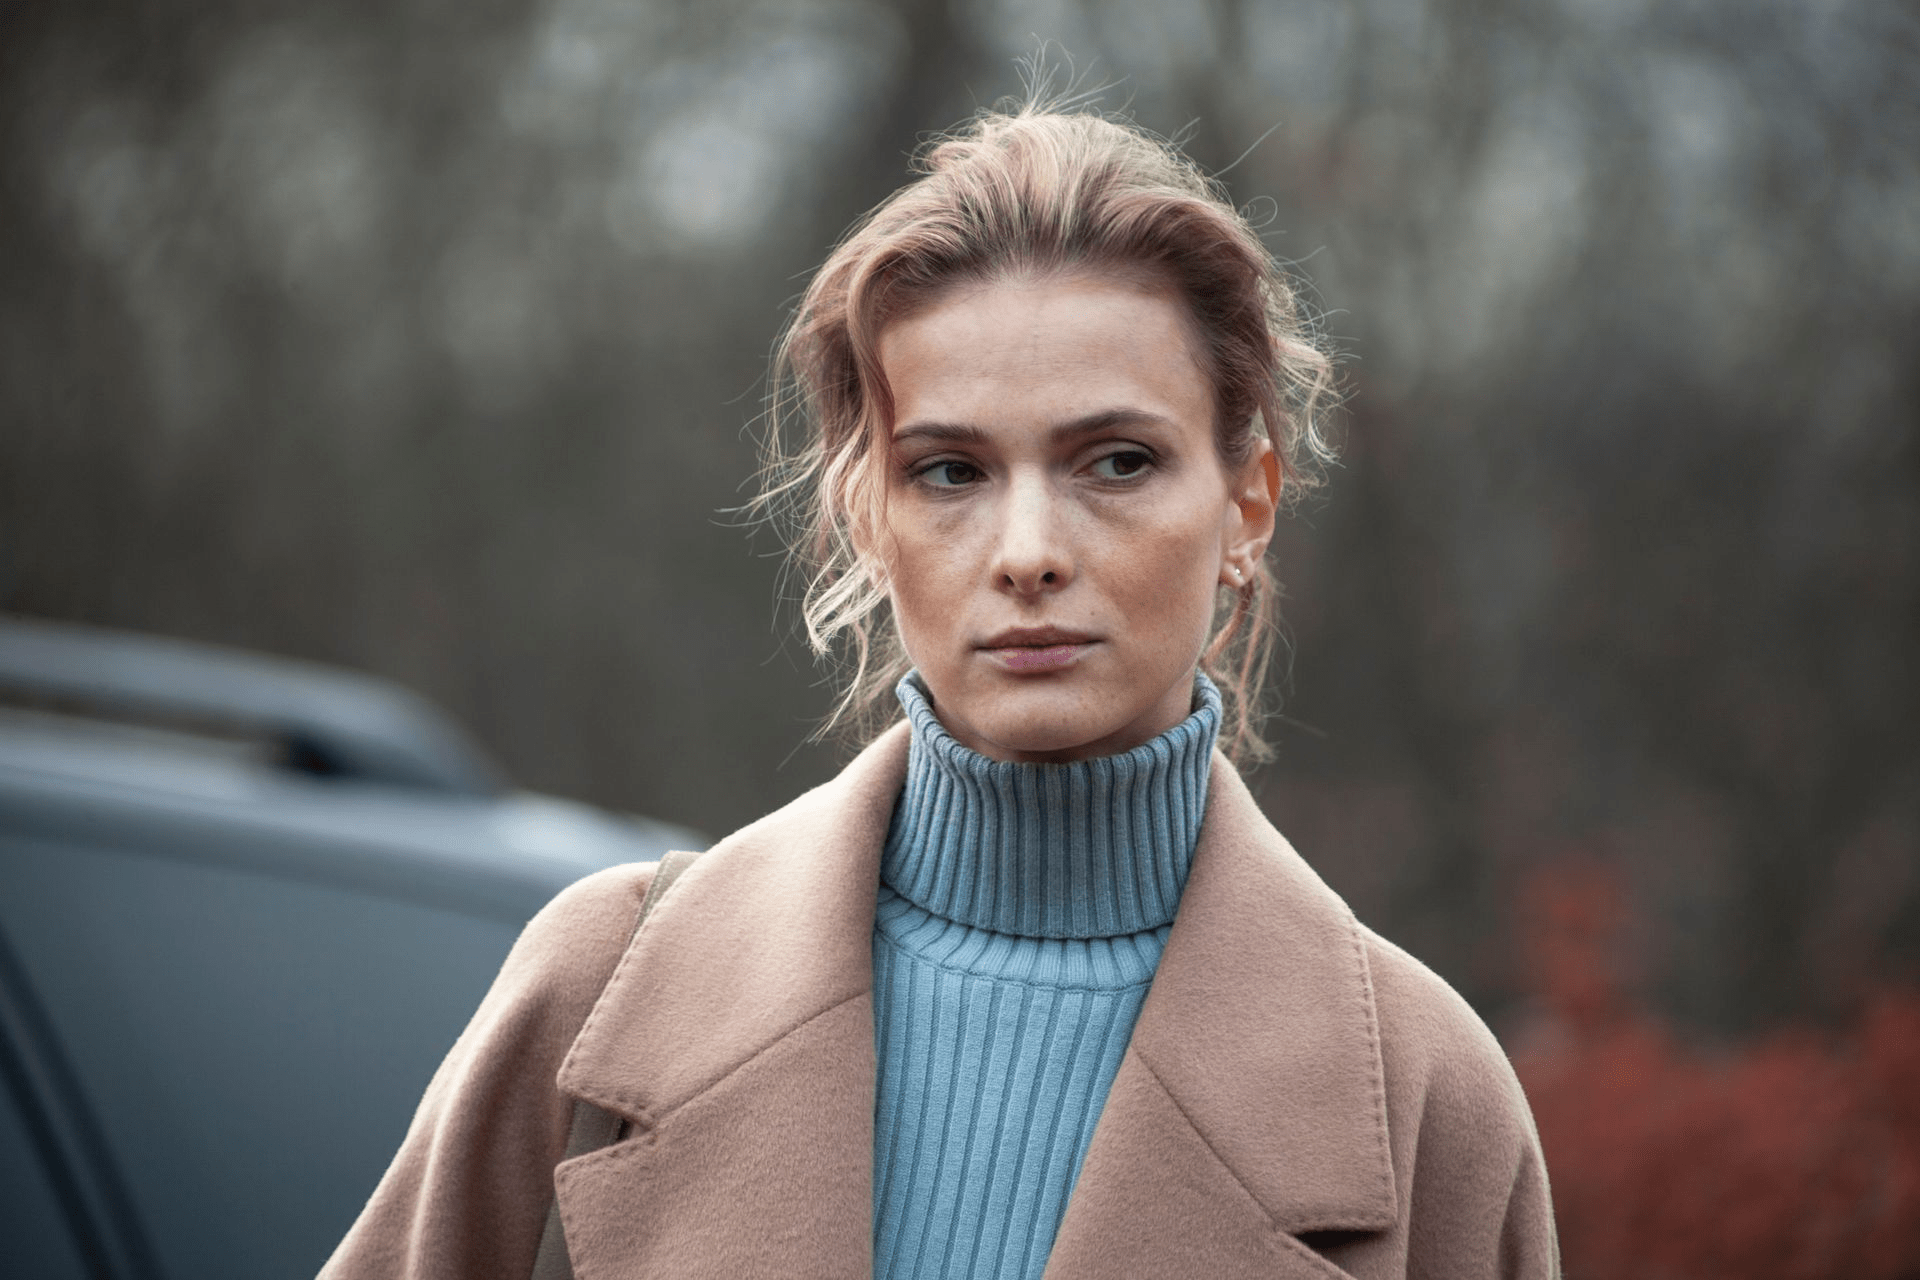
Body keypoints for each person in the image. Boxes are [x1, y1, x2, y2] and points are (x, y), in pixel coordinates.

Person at [323, 95, 1559, 1280]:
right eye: (951, 471)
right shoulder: (598, 992)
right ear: (866, 512)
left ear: (1248, 499)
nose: (1027, 548)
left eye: (1117, 460)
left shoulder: (1426, 1097)